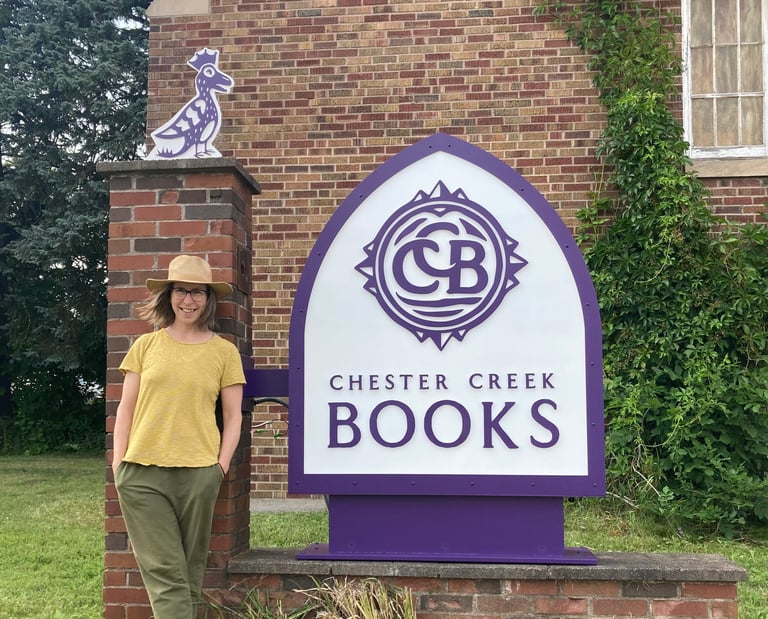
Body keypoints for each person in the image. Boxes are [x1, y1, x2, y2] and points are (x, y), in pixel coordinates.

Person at [112, 255, 245, 619]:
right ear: (169, 295)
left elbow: (234, 417)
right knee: (166, 573)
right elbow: (125, 408)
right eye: (181, 291)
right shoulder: (146, 346)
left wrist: (220, 466)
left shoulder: (224, 352)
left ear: (208, 298)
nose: (189, 300)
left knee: (189, 574)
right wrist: (118, 461)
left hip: (199, 474)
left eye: (197, 292)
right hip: (141, 474)